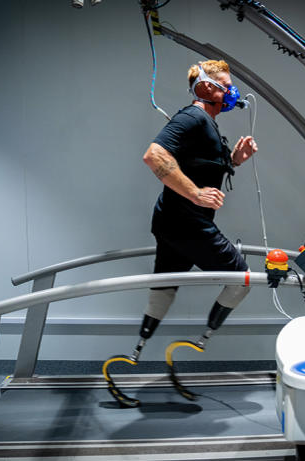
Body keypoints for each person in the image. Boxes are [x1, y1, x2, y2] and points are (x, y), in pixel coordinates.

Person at [102, 60, 257, 407]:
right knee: (242, 279)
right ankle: (198, 343)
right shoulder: (193, 117)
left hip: (172, 223)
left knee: (164, 290)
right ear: (204, 87)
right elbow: (153, 155)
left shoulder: (209, 125)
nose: (231, 91)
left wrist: (235, 159)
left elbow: (202, 166)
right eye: (224, 84)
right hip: (188, 224)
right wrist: (194, 193)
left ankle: (132, 359)